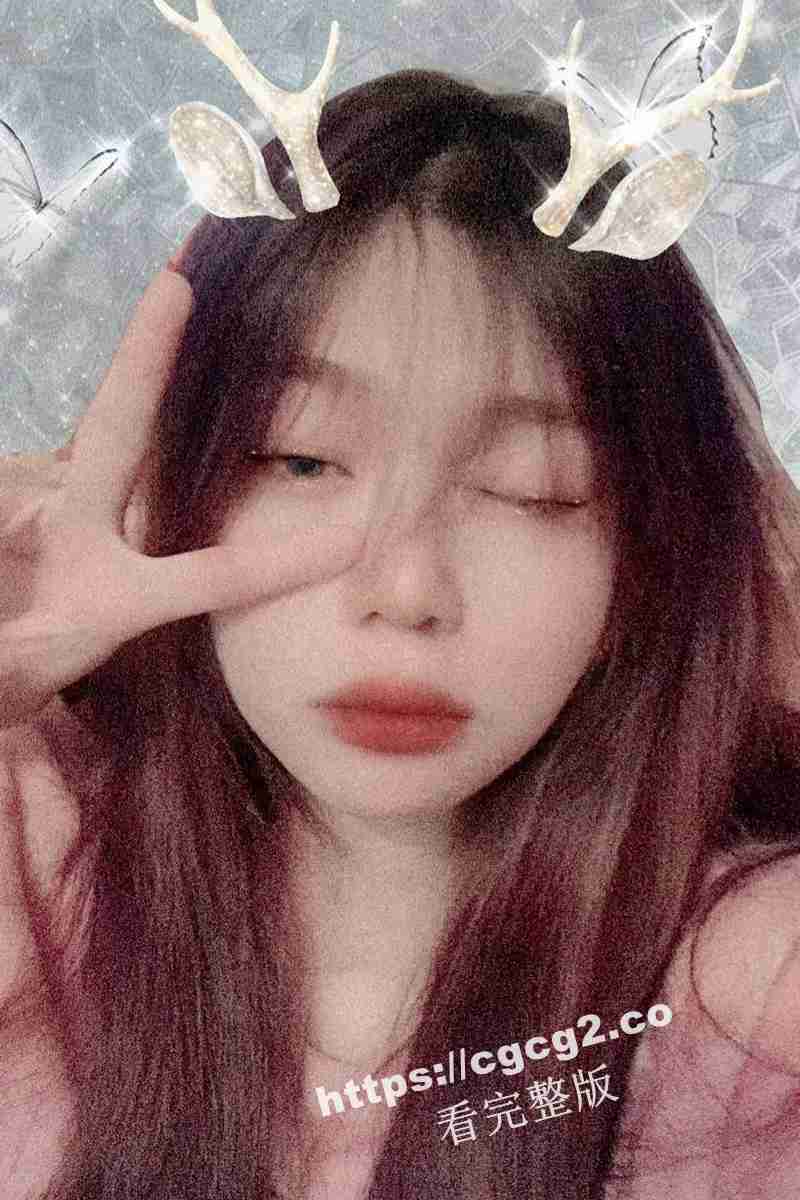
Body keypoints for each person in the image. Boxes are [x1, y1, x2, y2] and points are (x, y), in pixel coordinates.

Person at [0, 68, 799, 1200]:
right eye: (301, 458)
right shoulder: (36, 869)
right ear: (163, 493)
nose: (408, 590)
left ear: (645, 562)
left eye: (532, 486)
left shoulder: (748, 988)